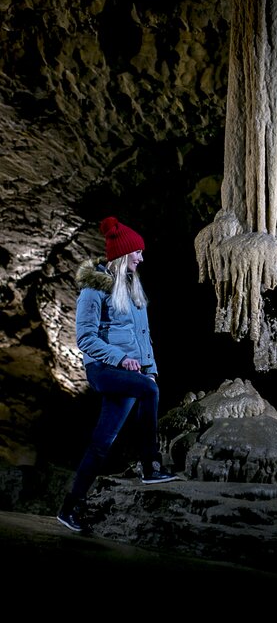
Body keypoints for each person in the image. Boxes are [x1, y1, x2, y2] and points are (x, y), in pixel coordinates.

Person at [57, 216, 178, 534]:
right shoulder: (94, 287)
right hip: (103, 369)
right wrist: (120, 359)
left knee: (102, 442)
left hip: (129, 371)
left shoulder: (132, 284)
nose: (141, 257)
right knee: (149, 393)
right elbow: (85, 338)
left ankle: (70, 508)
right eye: (137, 252)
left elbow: (142, 334)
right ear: (124, 254)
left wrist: (149, 371)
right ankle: (151, 465)